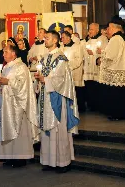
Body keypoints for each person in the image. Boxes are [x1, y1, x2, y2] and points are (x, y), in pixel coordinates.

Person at [34, 30, 80, 173]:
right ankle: (48, 161)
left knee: (58, 130)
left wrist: (45, 80)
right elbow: (43, 77)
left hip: (57, 99)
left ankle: (62, 162)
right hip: (45, 98)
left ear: (55, 40)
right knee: (47, 130)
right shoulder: (43, 58)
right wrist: (38, 79)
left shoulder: (61, 59)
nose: (44, 40)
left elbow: (61, 80)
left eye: (47, 38)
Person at [0, 44, 39, 168]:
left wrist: (8, 82)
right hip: (5, 105)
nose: (4, 54)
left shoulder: (21, 67)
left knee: (18, 131)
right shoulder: (6, 67)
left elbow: (23, 86)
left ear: (14, 53)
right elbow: (3, 84)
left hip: (17, 106)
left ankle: (20, 158)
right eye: (3, 52)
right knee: (6, 129)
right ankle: (7, 156)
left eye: (6, 52)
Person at [98, 18, 125, 120]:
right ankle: (120, 114)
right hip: (120, 68)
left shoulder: (115, 39)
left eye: (108, 27)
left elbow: (110, 56)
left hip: (115, 70)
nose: (107, 30)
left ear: (113, 27)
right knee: (119, 93)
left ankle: (117, 114)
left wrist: (101, 57)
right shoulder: (121, 38)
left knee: (115, 93)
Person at [81, 23, 108, 112]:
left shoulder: (103, 39)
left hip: (97, 67)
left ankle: (99, 106)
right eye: (89, 29)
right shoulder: (88, 41)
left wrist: (94, 54)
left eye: (92, 29)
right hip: (89, 67)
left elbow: (105, 52)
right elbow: (84, 53)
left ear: (97, 30)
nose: (90, 31)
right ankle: (91, 105)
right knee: (90, 87)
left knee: (98, 87)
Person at [61, 31, 84, 111]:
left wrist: (68, 65)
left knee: (77, 90)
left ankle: (79, 108)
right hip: (64, 72)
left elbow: (79, 60)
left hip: (75, 71)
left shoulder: (77, 46)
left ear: (68, 37)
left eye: (63, 37)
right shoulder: (61, 47)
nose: (62, 39)